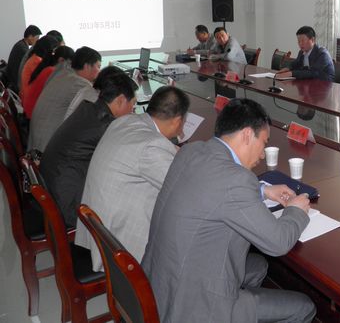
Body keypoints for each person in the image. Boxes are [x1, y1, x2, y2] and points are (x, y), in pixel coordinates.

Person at [142, 98, 315, 323]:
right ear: (247, 135)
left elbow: (213, 188)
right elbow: (278, 243)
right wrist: (296, 211)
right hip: (190, 307)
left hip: (158, 285)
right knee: (304, 307)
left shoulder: (191, 151)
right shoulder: (236, 180)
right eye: (263, 142)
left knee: (258, 265)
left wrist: (263, 190)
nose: (262, 154)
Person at [75, 86, 189, 271]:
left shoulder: (125, 121)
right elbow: (184, 188)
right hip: (118, 245)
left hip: (97, 229)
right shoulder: (152, 146)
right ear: (178, 121)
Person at [41, 71, 138, 227]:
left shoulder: (88, 109)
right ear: (120, 100)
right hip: (67, 204)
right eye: (132, 104)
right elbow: (133, 153)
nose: (133, 110)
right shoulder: (104, 126)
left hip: (53, 188)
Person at [28, 46, 102, 151]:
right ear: (86, 66)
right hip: (45, 148)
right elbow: (102, 105)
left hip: (36, 141)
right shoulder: (79, 83)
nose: (99, 71)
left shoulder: (64, 73)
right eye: (98, 66)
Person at [22, 46, 74, 119]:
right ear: (61, 60)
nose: (70, 68)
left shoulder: (48, 69)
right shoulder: (52, 72)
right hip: (33, 115)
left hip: (29, 110)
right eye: (69, 64)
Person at [19, 35, 60, 101]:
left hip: (28, 97)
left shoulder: (35, 57)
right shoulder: (37, 61)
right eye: (53, 51)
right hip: (30, 99)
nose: (53, 54)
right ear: (48, 49)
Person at [6, 24, 42, 91]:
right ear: (30, 37)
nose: (38, 40)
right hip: (15, 85)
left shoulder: (20, 44)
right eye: (37, 38)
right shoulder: (23, 49)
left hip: (11, 83)